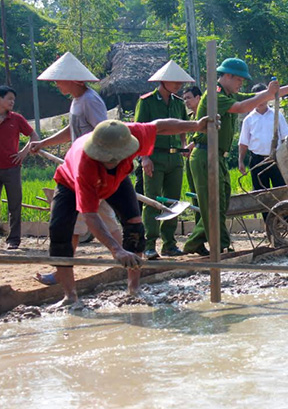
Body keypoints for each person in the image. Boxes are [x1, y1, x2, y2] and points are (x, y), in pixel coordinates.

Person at [43, 116, 216, 307]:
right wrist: (116, 249)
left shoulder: (126, 133)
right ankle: (70, 297)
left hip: (117, 181)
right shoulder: (85, 164)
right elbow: (90, 215)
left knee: (135, 227)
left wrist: (196, 125)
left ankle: (134, 289)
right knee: (59, 233)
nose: (113, 161)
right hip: (70, 184)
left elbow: (158, 126)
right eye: (109, 159)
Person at [183, 57, 288, 255]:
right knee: (213, 203)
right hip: (205, 155)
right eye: (239, 80)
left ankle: (196, 242)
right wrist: (270, 93)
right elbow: (242, 107)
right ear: (227, 76)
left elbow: (254, 98)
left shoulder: (227, 94)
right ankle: (219, 244)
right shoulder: (215, 95)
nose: (241, 84)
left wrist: (286, 89)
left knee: (220, 202)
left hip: (216, 156)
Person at [32, 52, 122, 284]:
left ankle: (63, 273)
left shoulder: (91, 101)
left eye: (60, 79)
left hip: (91, 172)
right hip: (80, 171)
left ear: (76, 81)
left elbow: (104, 133)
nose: (57, 83)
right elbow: (71, 132)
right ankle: (127, 260)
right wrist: (43, 143)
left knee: (73, 223)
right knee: (106, 220)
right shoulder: (76, 101)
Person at [134, 60, 195, 259]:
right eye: (174, 81)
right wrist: (144, 158)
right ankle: (150, 244)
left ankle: (169, 243)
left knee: (173, 201)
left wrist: (185, 147)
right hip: (154, 156)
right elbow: (139, 132)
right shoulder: (147, 101)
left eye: (180, 82)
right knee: (152, 201)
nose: (178, 85)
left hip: (175, 158)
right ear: (162, 81)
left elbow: (184, 127)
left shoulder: (178, 103)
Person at [0, 86, 39, 249]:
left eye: (14, 100)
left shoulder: (16, 119)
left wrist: (23, 152)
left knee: (15, 205)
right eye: (9, 98)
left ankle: (13, 240)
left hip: (12, 168)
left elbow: (34, 136)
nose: (12, 102)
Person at [238, 83, 288, 191]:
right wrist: (240, 160)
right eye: (257, 98)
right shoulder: (248, 120)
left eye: (264, 97)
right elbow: (243, 143)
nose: (260, 101)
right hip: (257, 161)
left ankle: (282, 209)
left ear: (268, 98)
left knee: (281, 191)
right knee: (260, 193)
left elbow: (285, 137)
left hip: (276, 160)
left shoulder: (277, 115)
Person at [181, 85, 205, 246]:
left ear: (198, 98)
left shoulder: (204, 118)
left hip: (203, 160)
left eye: (189, 98)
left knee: (203, 199)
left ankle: (200, 237)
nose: (187, 102)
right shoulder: (190, 119)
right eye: (185, 99)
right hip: (190, 162)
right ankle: (199, 242)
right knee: (195, 198)